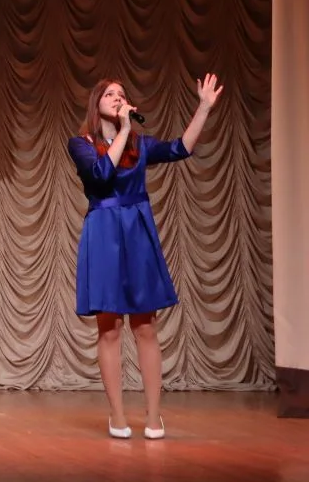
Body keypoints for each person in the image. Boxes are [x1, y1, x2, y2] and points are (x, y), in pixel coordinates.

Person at [66, 74, 222, 440]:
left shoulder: (140, 144)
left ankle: (153, 416)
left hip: (137, 230)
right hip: (104, 230)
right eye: (110, 94)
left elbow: (180, 149)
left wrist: (203, 108)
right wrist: (123, 129)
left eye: (122, 94)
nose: (118, 98)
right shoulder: (80, 144)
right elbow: (102, 175)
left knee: (146, 326)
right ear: (96, 104)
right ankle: (117, 415)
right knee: (109, 327)